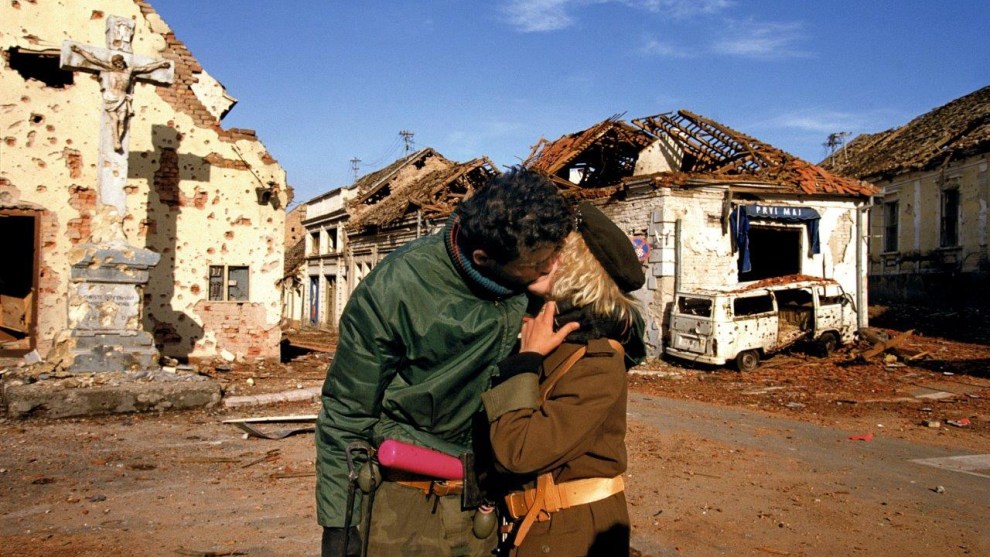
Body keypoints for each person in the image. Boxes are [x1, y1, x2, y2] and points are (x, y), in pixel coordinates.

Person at [315, 168, 574, 556]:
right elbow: (347, 412)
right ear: (483, 258)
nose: (553, 266)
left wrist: (571, 290)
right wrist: (339, 525)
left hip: (490, 502)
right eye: (539, 264)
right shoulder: (395, 288)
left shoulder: (537, 279)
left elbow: (628, 341)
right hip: (403, 505)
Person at [481, 202, 647, 556]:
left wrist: (524, 361)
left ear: (581, 266)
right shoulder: (552, 338)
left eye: (556, 251)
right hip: (540, 526)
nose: (539, 257)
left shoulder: (598, 358)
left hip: (572, 533)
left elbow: (519, 451)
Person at [69, 44, 170, 152]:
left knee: (122, 121)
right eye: (116, 63)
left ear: (123, 62)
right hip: (112, 96)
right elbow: (94, 60)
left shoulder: (129, 70)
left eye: (120, 62)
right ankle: (116, 140)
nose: (119, 65)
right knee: (115, 118)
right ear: (114, 64)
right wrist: (79, 51)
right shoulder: (109, 68)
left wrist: (160, 65)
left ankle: (118, 141)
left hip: (122, 96)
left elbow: (146, 68)